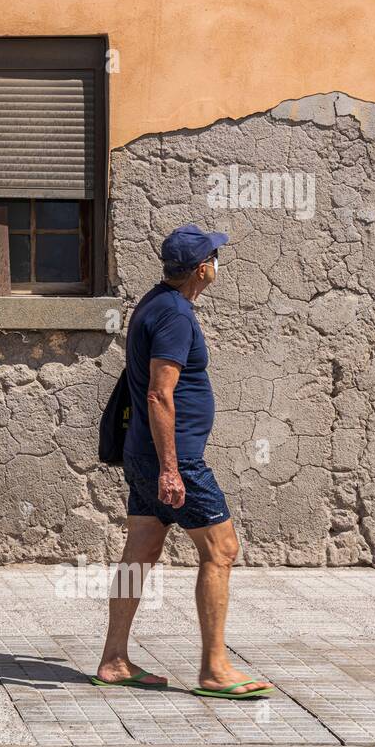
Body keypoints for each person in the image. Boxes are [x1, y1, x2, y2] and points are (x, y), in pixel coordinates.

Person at [93, 224, 274, 699]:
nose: (219, 264)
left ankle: (113, 660)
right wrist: (173, 468)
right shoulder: (174, 314)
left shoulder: (155, 302)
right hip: (173, 460)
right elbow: (158, 393)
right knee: (222, 550)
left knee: (142, 551)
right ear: (201, 268)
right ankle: (215, 669)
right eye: (216, 256)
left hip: (143, 454)